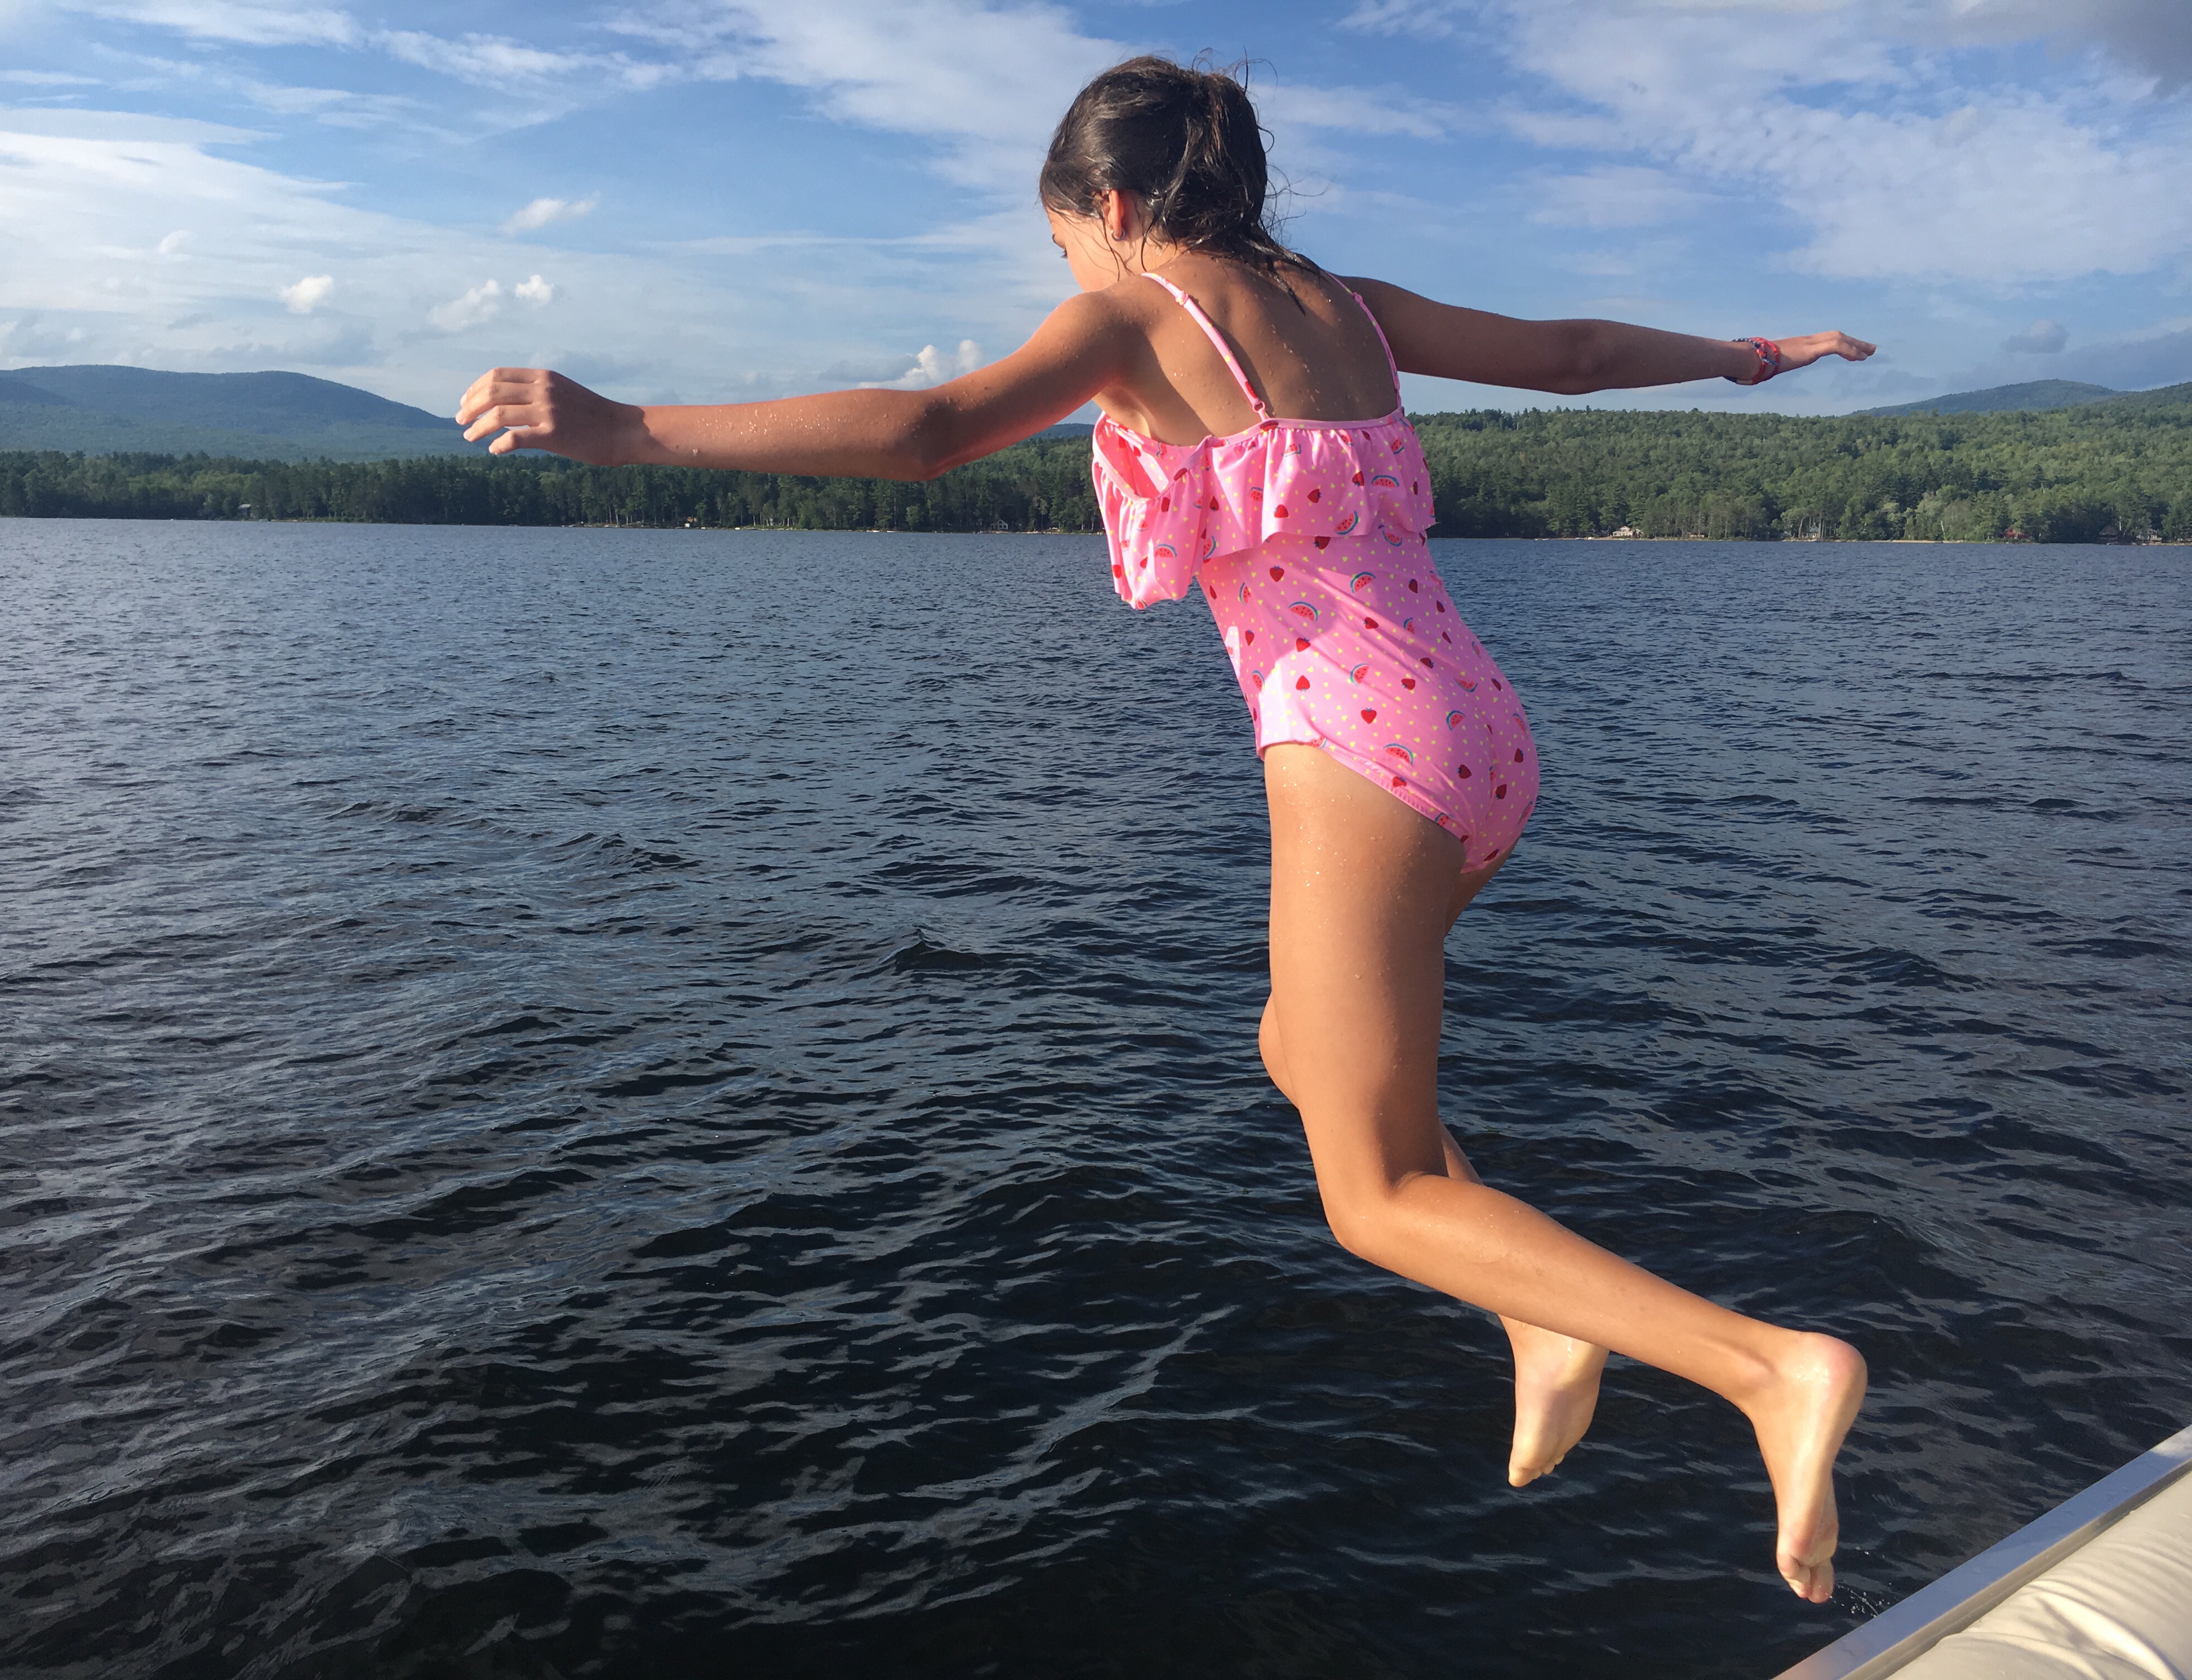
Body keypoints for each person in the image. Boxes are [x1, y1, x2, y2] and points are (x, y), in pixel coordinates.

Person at [457, 54, 1876, 1604]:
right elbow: (1578, 353)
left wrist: (626, 429)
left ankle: (1768, 1370)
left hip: (1361, 752)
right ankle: (1540, 1317)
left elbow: (930, 428)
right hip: (1484, 735)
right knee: (1296, 1045)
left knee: (1375, 1197)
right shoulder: (1352, 306)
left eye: (1066, 243)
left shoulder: (1135, 316)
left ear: (1118, 210)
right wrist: (1753, 356)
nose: (1072, 272)